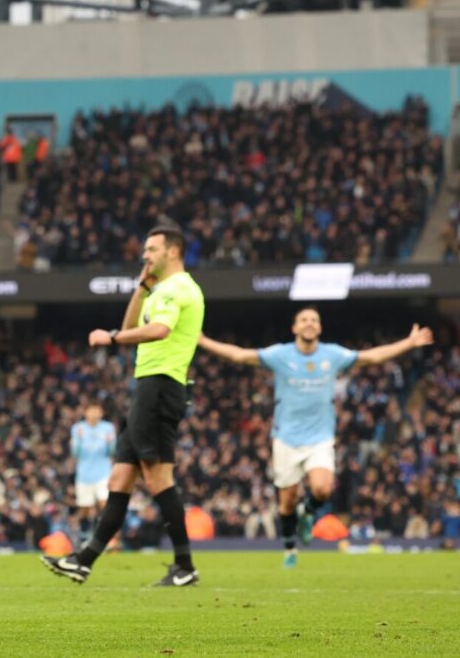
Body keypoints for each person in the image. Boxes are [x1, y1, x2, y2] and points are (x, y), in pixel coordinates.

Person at [198, 308, 433, 567]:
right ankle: (290, 549)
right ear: (295, 328)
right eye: (304, 320)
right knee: (286, 502)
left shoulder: (332, 355)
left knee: (322, 487)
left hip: (320, 437)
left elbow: (373, 356)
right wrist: (203, 341)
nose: (309, 324)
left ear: (319, 328)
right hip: (286, 438)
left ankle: (308, 512)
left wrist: (409, 342)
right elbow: (240, 356)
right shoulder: (280, 355)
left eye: (314, 320)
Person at [42, 222, 205, 587]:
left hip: (161, 385)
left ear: (172, 252)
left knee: (158, 477)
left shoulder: (177, 288)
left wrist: (111, 338)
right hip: (150, 385)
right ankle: (83, 561)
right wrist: (142, 286)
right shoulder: (159, 289)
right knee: (120, 477)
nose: (145, 256)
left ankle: (185, 566)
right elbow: (131, 322)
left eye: (152, 250)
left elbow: (158, 330)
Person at [70, 401, 115, 544]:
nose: (94, 413)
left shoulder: (108, 428)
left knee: (105, 504)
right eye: (91, 410)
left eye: (97, 410)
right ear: (86, 412)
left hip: (103, 472)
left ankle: (103, 538)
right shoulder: (78, 428)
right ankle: (84, 536)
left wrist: (111, 443)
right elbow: (75, 453)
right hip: (84, 475)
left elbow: (112, 452)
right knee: (84, 509)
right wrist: (77, 441)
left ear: (102, 413)